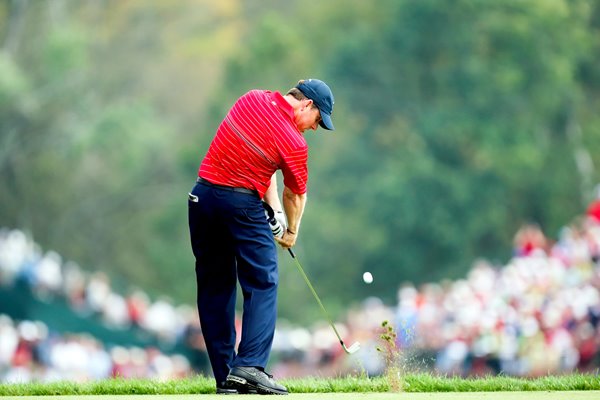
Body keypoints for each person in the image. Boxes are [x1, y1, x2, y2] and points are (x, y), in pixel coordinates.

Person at [188, 79, 335, 395]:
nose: (313, 128)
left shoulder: (251, 98)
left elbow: (259, 162)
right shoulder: (294, 142)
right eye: (318, 121)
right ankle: (251, 366)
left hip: (202, 199)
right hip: (240, 205)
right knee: (262, 281)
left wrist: (272, 211)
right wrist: (291, 231)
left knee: (216, 288)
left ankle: (226, 378)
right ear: (306, 104)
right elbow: (295, 194)